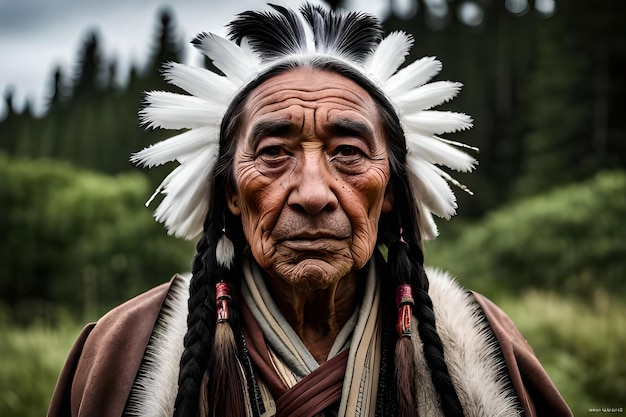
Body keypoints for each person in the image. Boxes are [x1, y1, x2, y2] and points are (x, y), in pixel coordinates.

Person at [47, 2, 572, 416]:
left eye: (348, 153)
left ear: (389, 189)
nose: (314, 193)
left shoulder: (481, 350)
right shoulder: (122, 353)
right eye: (274, 153)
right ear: (230, 190)